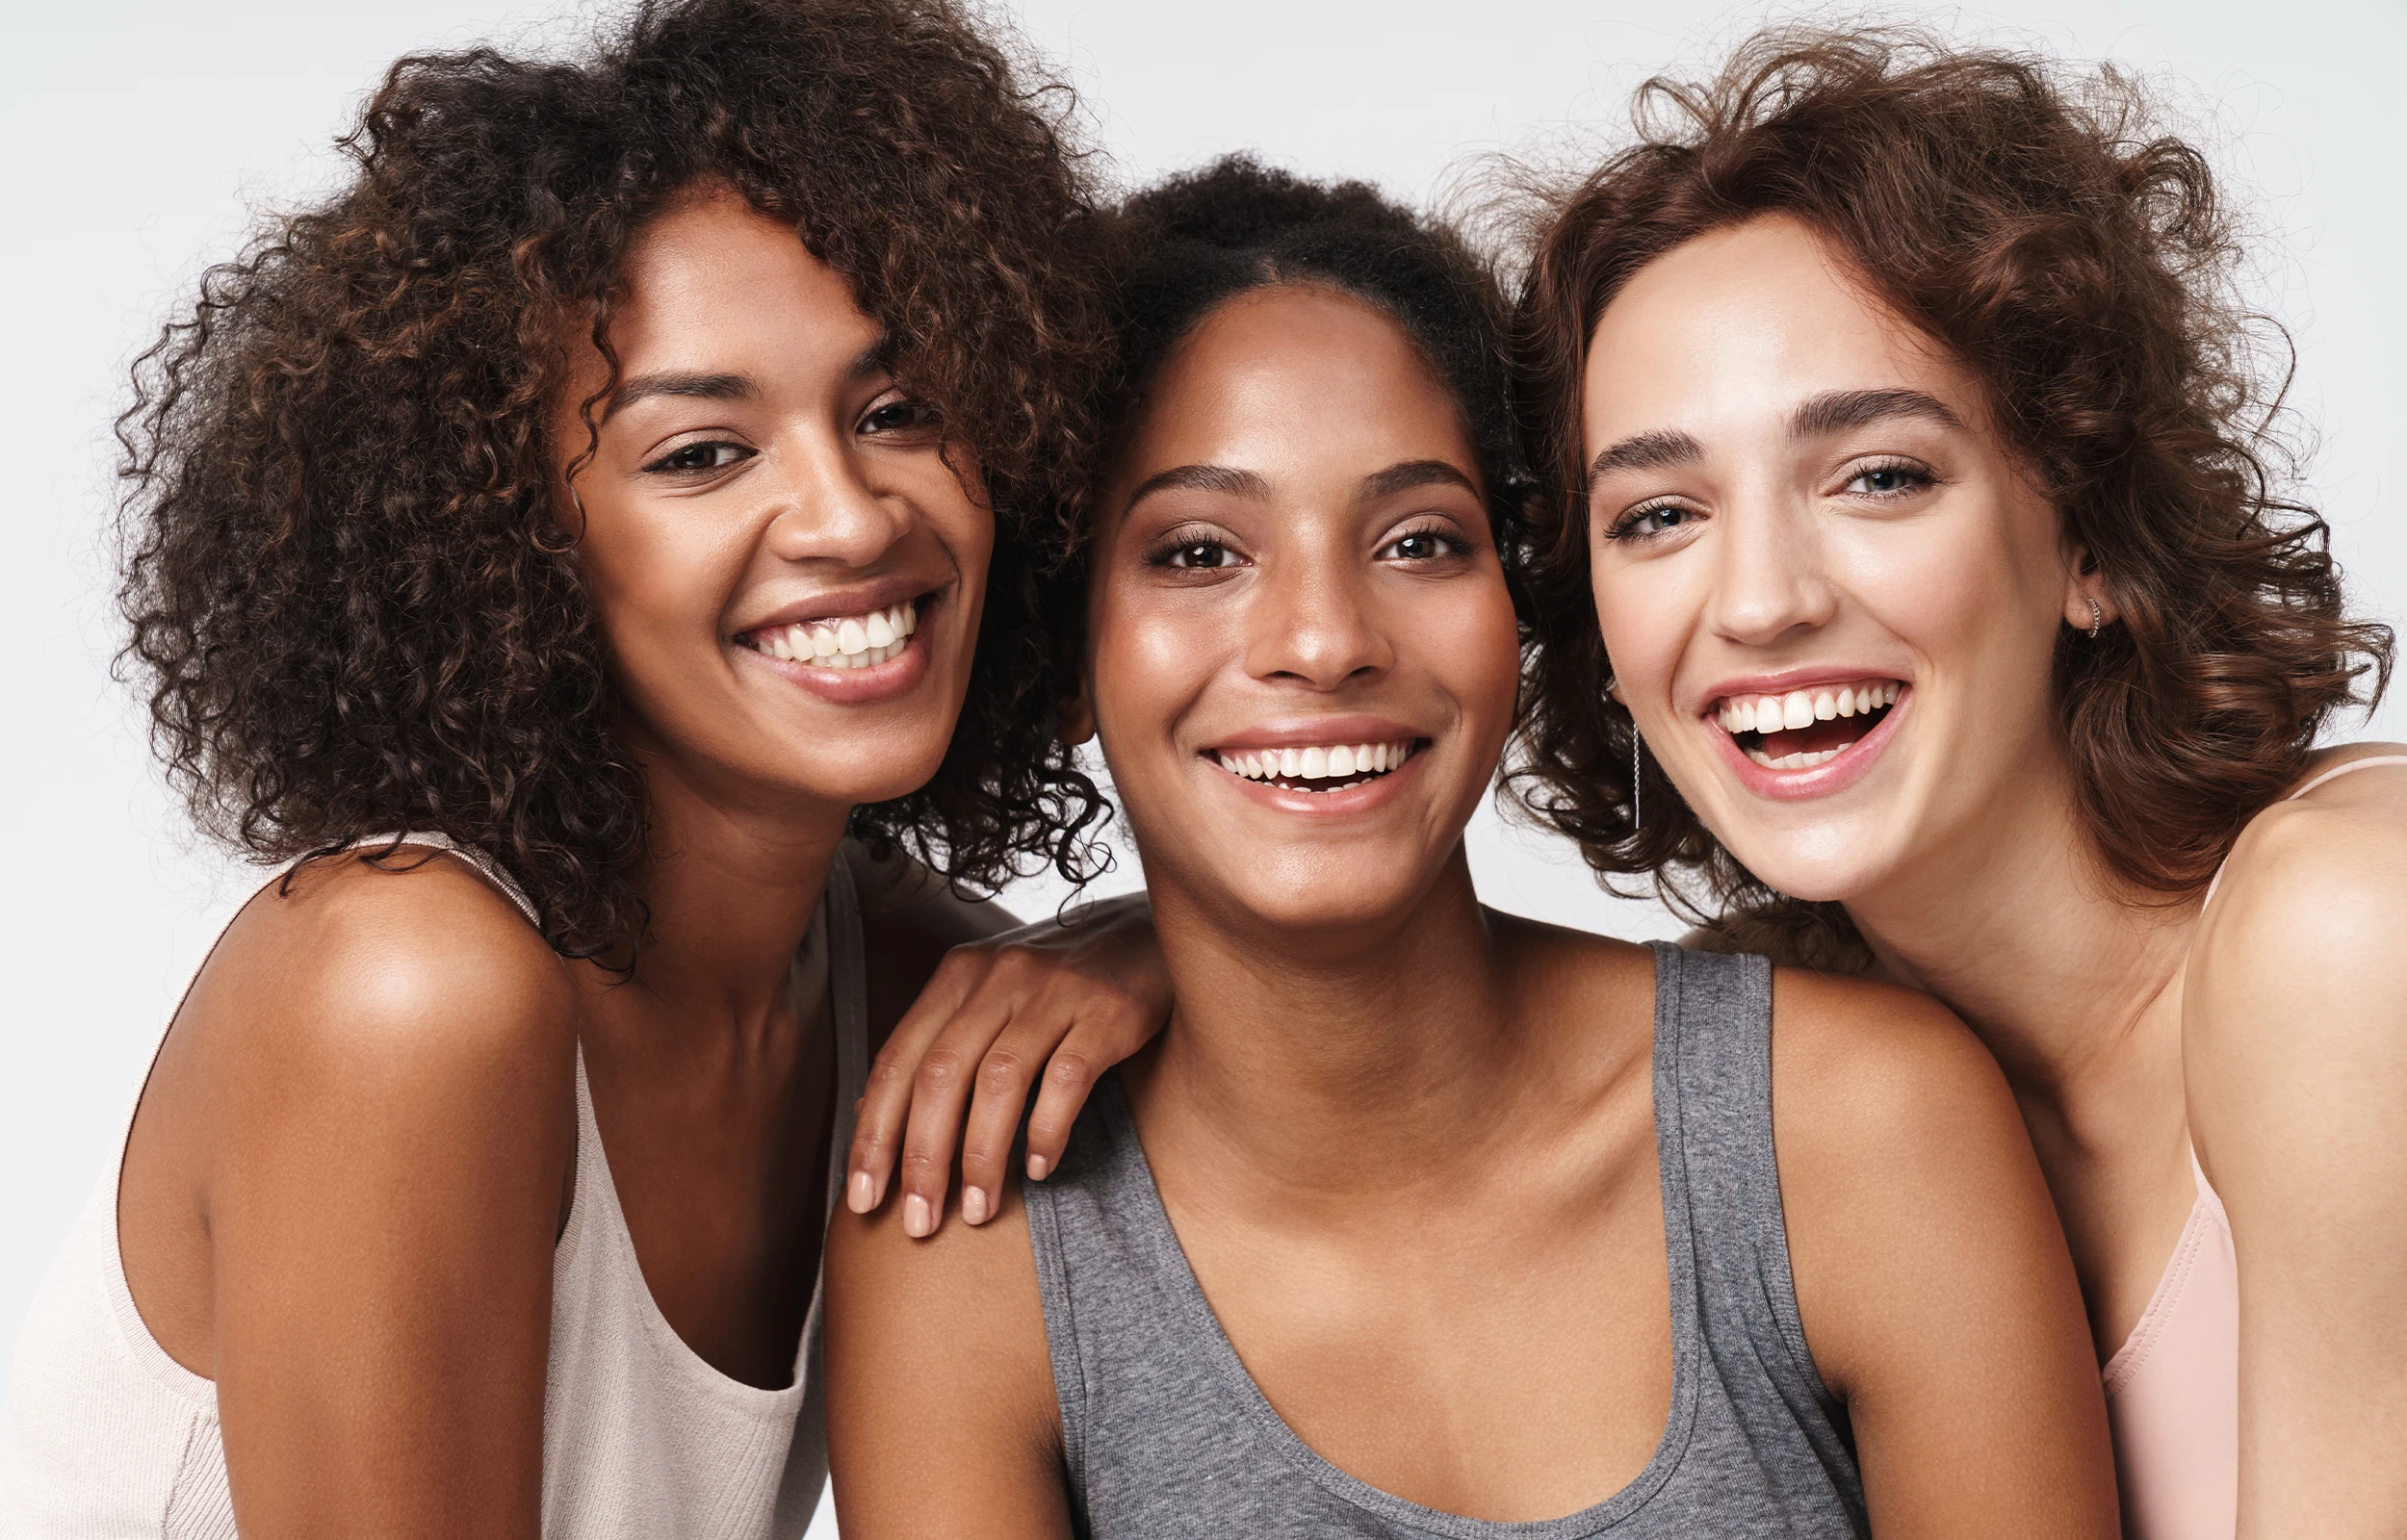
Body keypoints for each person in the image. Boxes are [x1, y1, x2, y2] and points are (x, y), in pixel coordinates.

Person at [826, 157, 2118, 1539]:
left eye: (1420, 541)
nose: (1324, 639)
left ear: (1523, 610)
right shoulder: (968, 1240)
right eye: (1199, 553)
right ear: (1068, 647)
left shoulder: (1857, 1128)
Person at [0, 2, 1164, 1533]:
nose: (851, 515)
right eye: (701, 453)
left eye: (900, 412)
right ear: (510, 541)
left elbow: (1358, 1074)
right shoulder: (406, 991)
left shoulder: (900, 984)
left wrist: (1162, 954)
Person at [1506, 31, 2407, 1540]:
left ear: (2092, 541)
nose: (1762, 601)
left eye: (1880, 476)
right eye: (1659, 514)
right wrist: (1148, 953)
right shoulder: (1801, 1074)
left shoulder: (2349, 924)